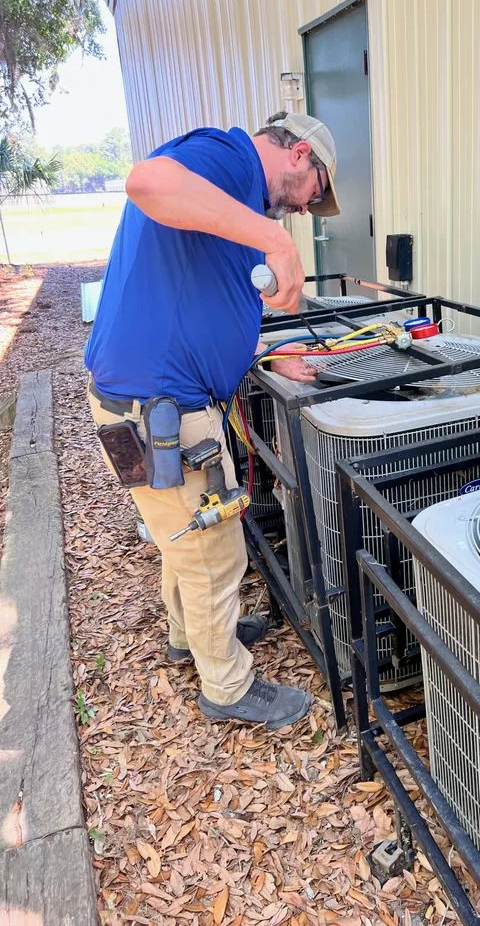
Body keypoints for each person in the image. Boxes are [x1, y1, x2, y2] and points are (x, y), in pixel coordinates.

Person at [84, 111, 340, 730]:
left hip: (152, 402)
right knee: (214, 553)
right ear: (299, 154)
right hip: (162, 412)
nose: (307, 209)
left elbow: (200, 305)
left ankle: (190, 639)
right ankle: (226, 686)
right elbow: (147, 182)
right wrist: (276, 242)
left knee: (183, 538)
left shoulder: (232, 203)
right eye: (316, 191)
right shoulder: (230, 161)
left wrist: (267, 348)